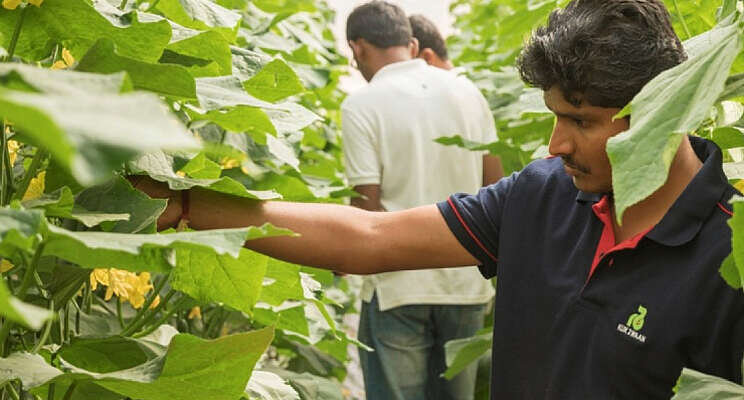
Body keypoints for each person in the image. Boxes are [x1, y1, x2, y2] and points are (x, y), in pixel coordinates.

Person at [133, 0, 744, 398]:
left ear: (664, 109)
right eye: (554, 116)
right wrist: (187, 205)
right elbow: (369, 238)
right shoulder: (543, 196)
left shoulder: (729, 256)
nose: (556, 143)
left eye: (580, 121)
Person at [341, 3, 500, 399]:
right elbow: (495, 186)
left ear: (357, 48)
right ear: (411, 44)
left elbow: (367, 208)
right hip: (465, 280)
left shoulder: (361, 105)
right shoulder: (468, 92)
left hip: (399, 284)